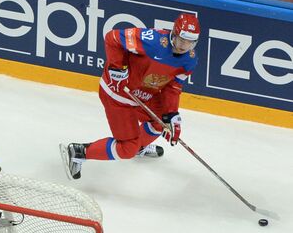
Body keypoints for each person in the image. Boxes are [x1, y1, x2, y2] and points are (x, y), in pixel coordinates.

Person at [60, 13, 200, 180]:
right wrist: (116, 67)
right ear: (174, 34)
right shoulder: (152, 41)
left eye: (190, 42)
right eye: (182, 40)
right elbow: (112, 38)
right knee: (127, 148)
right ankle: (78, 152)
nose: (184, 46)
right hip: (119, 94)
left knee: (161, 122)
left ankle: (139, 146)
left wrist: (171, 114)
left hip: (144, 95)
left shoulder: (189, 60)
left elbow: (173, 86)